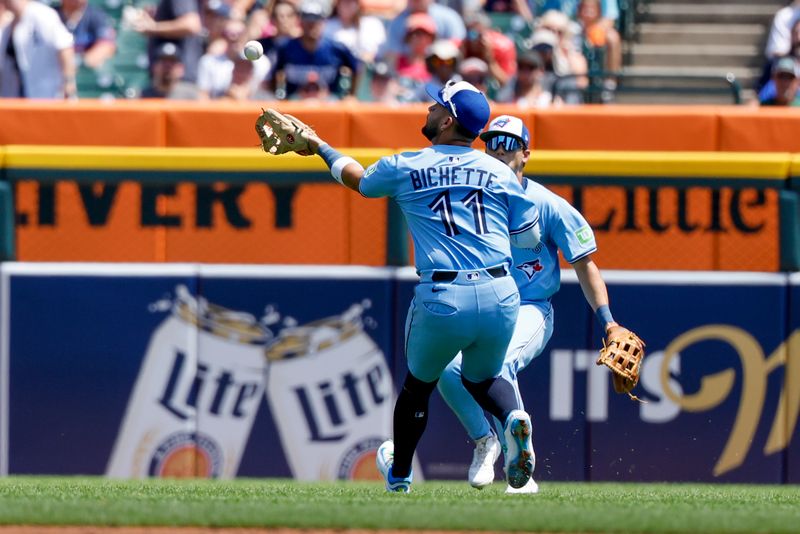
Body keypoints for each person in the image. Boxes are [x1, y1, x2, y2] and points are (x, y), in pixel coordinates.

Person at [278, 80, 542, 492]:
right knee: (482, 378)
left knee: (418, 387)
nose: (429, 109)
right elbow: (529, 237)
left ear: (448, 120)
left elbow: (359, 180)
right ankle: (512, 418)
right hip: (500, 292)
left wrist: (317, 145)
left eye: (437, 105)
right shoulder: (499, 170)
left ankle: (399, 475)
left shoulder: (409, 164)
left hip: (444, 296)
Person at [437, 114, 624, 494]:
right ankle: (484, 440)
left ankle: (520, 471)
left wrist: (608, 321)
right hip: (483, 303)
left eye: (509, 144)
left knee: (501, 362)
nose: (499, 150)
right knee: (448, 369)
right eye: (492, 143)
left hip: (530, 307)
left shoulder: (547, 203)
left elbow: (585, 265)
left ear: (526, 154)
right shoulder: (469, 201)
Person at [268, 0, 359, 100]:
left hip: (329, 104)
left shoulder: (336, 49)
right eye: (308, 20)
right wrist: (277, 97)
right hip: (295, 103)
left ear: (323, 22)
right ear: (301, 22)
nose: (312, 25)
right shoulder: (286, 48)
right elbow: (273, 74)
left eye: (316, 20)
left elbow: (357, 68)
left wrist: (351, 95)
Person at [0, 0, 77, 99]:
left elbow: (64, 46)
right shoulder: (8, 23)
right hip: (17, 95)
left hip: (47, 93)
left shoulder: (41, 14)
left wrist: (68, 81)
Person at [57, 0, 116, 69]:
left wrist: (81, 62)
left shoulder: (96, 14)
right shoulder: (50, 15)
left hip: (87, 71)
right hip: (55, 70)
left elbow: (107, 45)